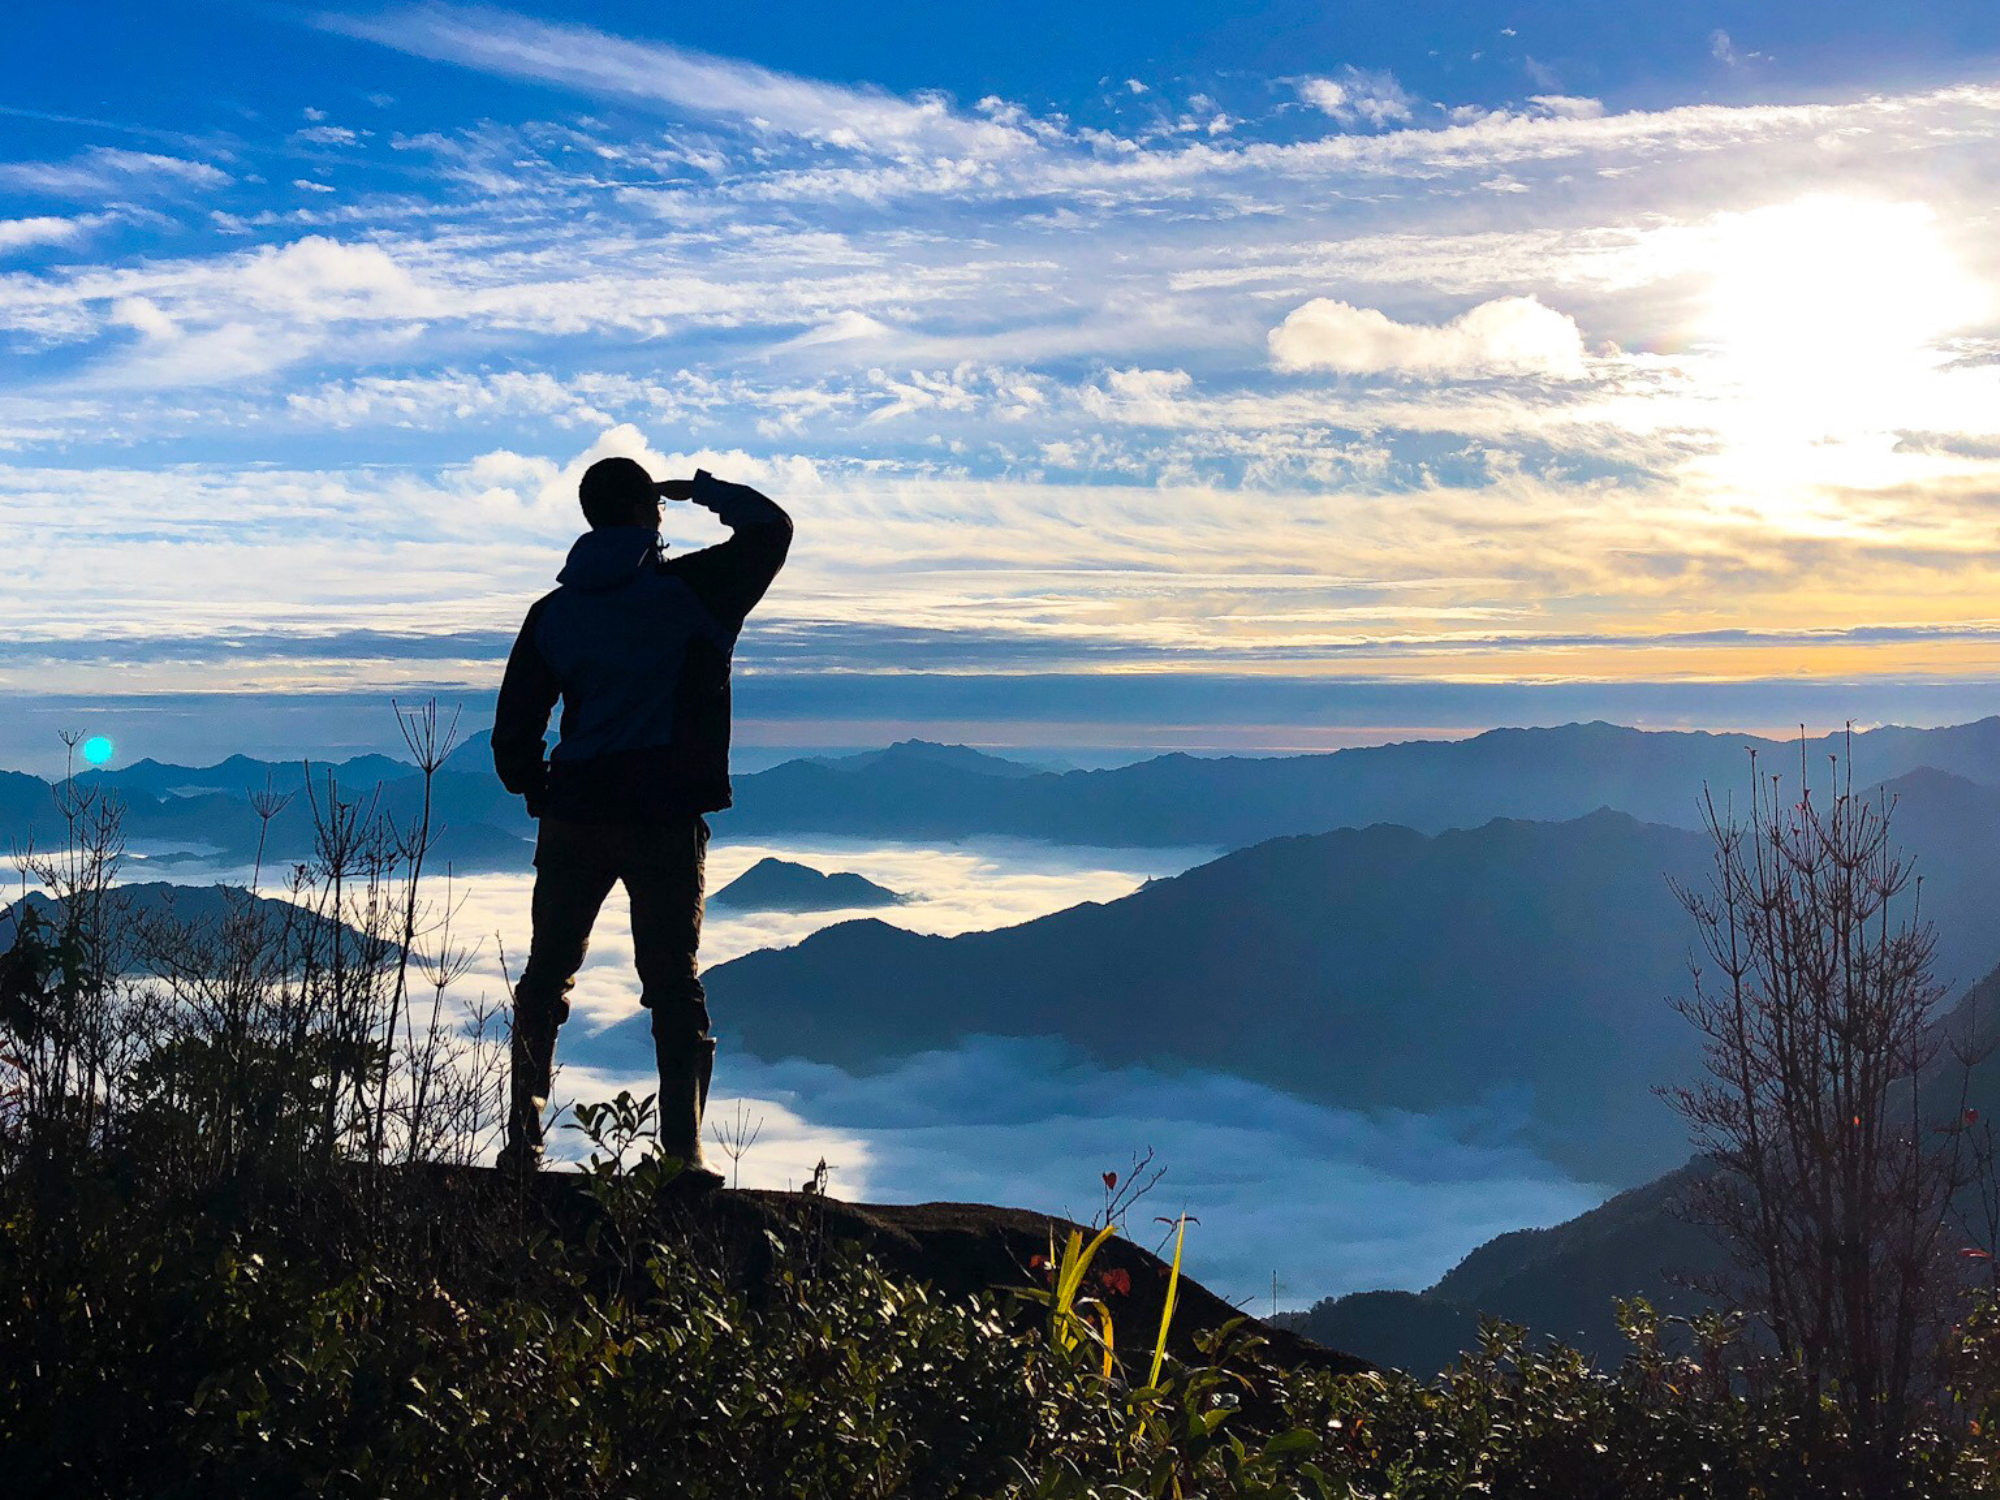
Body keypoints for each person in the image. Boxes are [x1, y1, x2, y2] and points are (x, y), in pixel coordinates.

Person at [490, 458, 792, 1177]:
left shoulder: (553, 613)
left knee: (546, 979)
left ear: (590, 516)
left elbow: (513, 733)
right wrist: (704, 490)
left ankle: (523, 1145)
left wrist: (537, 789)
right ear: (649, 511)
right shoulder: (696, 590)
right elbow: (772, 529)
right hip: (663, 813)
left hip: (576, 813)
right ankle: (682, 1156)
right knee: (672, 986)